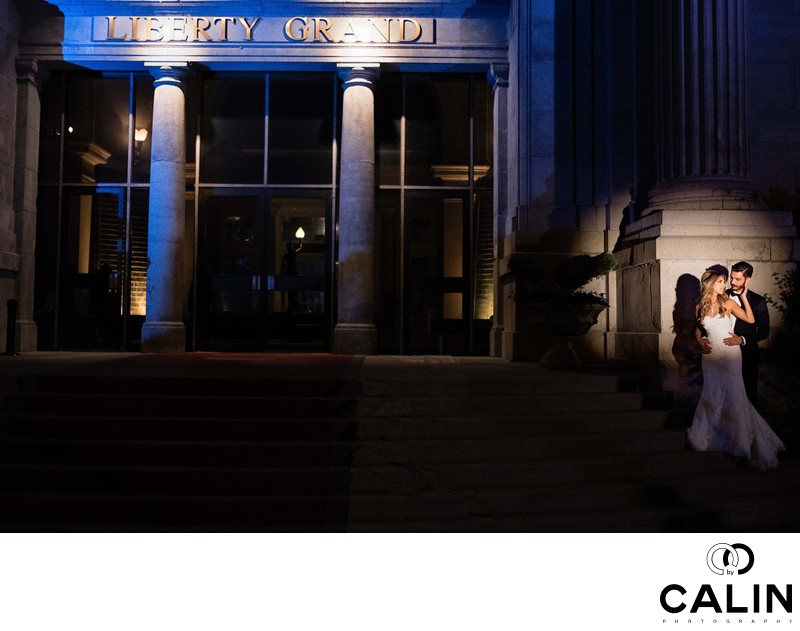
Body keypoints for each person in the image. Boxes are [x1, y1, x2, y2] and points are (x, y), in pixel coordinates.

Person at [688, 269, 784, 470]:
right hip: (710, 357)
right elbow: (698, 328)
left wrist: (743, 297)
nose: (725, 285)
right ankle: (713, 436)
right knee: (712, 394)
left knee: (734, 395)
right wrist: (700, 340)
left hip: (730, 355)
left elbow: (750, 319)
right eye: (721, 282)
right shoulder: (700, 305)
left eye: (725, 281)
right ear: (710, 284)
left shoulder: (729, 302)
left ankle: (739, 442)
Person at [699, 261, 770, 407]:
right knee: (720, 395)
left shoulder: (758, 301)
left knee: (747, 396)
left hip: (746, 354)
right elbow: (703, 324)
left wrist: (742, 339)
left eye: (737, 279)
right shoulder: (720, 294)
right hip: (717, 354)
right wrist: (704, 338)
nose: (732, 282)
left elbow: (764, 331)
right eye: (731, 278)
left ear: (747, 280)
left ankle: (746, 428)